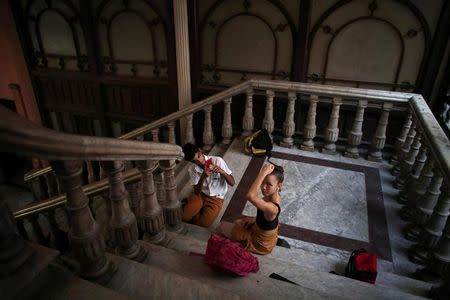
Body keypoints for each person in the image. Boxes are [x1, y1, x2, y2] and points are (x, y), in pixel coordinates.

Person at [217, 163, 284, 255]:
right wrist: (255, 219)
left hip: (260, 243)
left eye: (269, 184)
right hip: (260, 229)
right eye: (263, 182)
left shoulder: (273, 208)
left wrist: (262, 173)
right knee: (238, 222)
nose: (263, 187)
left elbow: (250, 196)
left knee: (221, 227)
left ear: (279, 186)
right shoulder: (274, 195)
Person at [182, 143, 235, 228]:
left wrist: (222, 172)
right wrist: (203, 177)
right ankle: (194, 208)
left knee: (203, 225)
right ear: (191, 162)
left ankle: (193, 209)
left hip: (216, 198)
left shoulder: (218, 161)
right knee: (184, 217)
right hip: (200, 195)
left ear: (200, 151)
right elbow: (196, 191)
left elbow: (232, 183)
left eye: (199, 156)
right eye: (195, 161)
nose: (200, 161)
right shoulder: (192, 169)